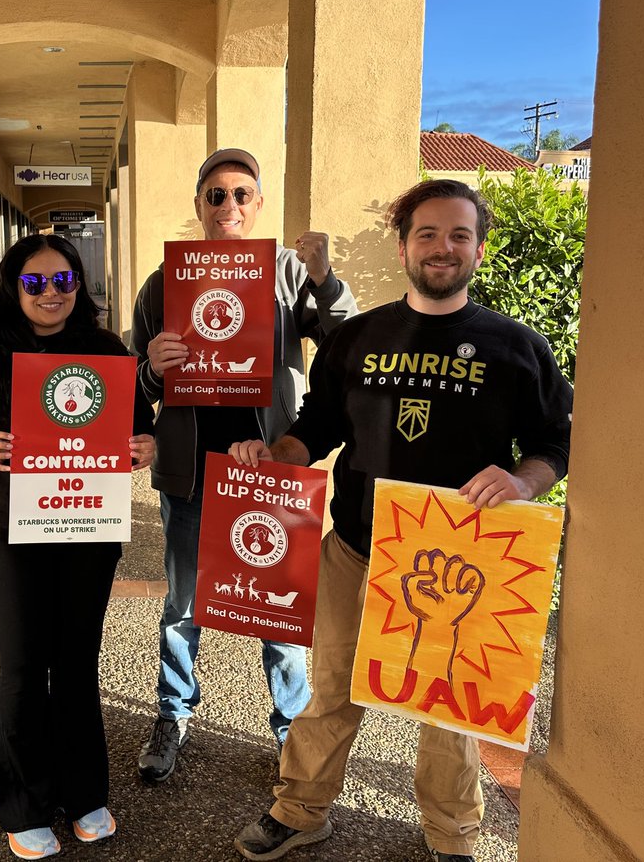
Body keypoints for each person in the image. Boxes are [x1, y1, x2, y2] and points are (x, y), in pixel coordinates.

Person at [228, 179, 573, 862]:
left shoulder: (516, 348)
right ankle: (300, 809)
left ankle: (451, 837)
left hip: (460, 557)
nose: (442, 249)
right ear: (403, 244)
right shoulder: (356, 337)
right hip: (355, 548)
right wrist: (275, 457)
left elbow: (554, 443)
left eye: (458, 235)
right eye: (428, 234)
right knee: (329, 691)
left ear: (478, 246)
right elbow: (314, 429)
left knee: (449, 710)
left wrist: (522, 479)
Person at [129, 148, 358, 783]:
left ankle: (290, 728)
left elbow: (343, 343)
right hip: (191, 473)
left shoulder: (286, 274)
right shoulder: (163, 282)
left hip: (269, 471)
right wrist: (153, 364)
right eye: (216, 194)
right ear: (199, 205)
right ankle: (173, 714)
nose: (228, 205)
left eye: (240, 194)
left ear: (257, 205)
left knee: (278, 611)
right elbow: (133, 384)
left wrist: (325, 278)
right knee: (181, 604)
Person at [0, 234, 155, 860]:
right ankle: (23, 804)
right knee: (25, 666)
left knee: (78, 664)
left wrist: (146, 447)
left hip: (87, 530)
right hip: (12, 534)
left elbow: (142, 425)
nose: (50, 293)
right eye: (35, 283)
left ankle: (84, 794)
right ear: (13, 287)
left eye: (63, 281)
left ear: (78, 288)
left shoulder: (107, 352)